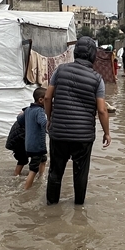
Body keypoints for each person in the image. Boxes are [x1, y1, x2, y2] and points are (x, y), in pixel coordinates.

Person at [45, 36, 111, 205]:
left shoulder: (60, 70)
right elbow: (102, 110)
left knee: (55, 172)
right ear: (93, 56)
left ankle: (51, 208)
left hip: (58, 133)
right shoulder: (97, 79)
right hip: (83, 137)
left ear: (76, 53)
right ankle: (79, 208)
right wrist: (107, 133)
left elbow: (47, 97)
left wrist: (50, 119)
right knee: (80, 173)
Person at [22, 87, 48, 189]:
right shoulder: (39, 111)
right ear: (41, 100)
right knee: (33, 169)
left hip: (29, 145)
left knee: (43, 159)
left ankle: (40, 178)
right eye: (48, 99)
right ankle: (26, 190)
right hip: (37, 146)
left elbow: (20, 120)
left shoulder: (28, 110)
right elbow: (44, 124)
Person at [5, 105, 29, 176]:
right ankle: (38, 177)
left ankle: (16, 175)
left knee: (23, 159)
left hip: (14, 140)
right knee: (38, 158)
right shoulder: (36, 112)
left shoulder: (27, 112)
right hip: (19, 140)